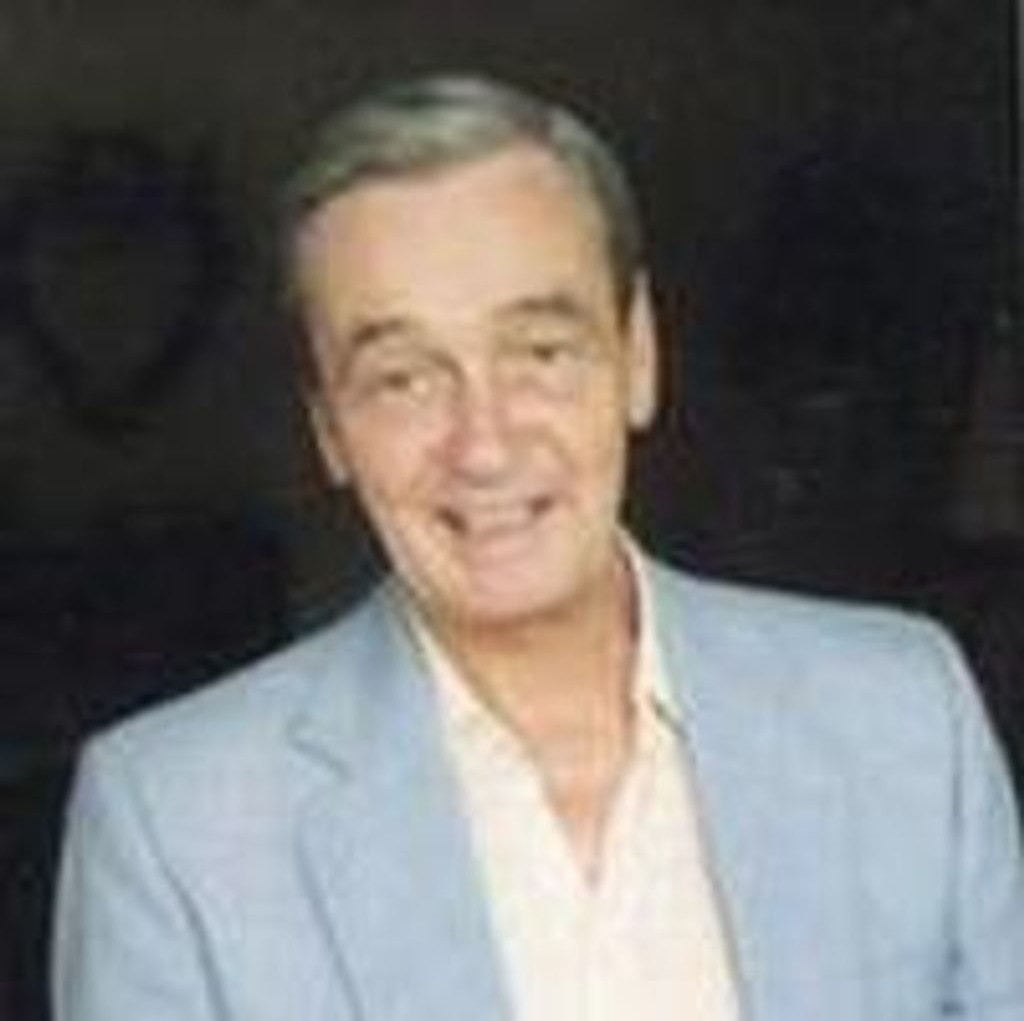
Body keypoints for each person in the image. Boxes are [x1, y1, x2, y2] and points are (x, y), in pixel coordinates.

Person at [53, 74, 1024, 1021]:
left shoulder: (902, 714)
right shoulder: (175, 823)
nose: (484, 445)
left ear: (638, 354)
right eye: (401, 378)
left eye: (540, 352)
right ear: (329, 430)